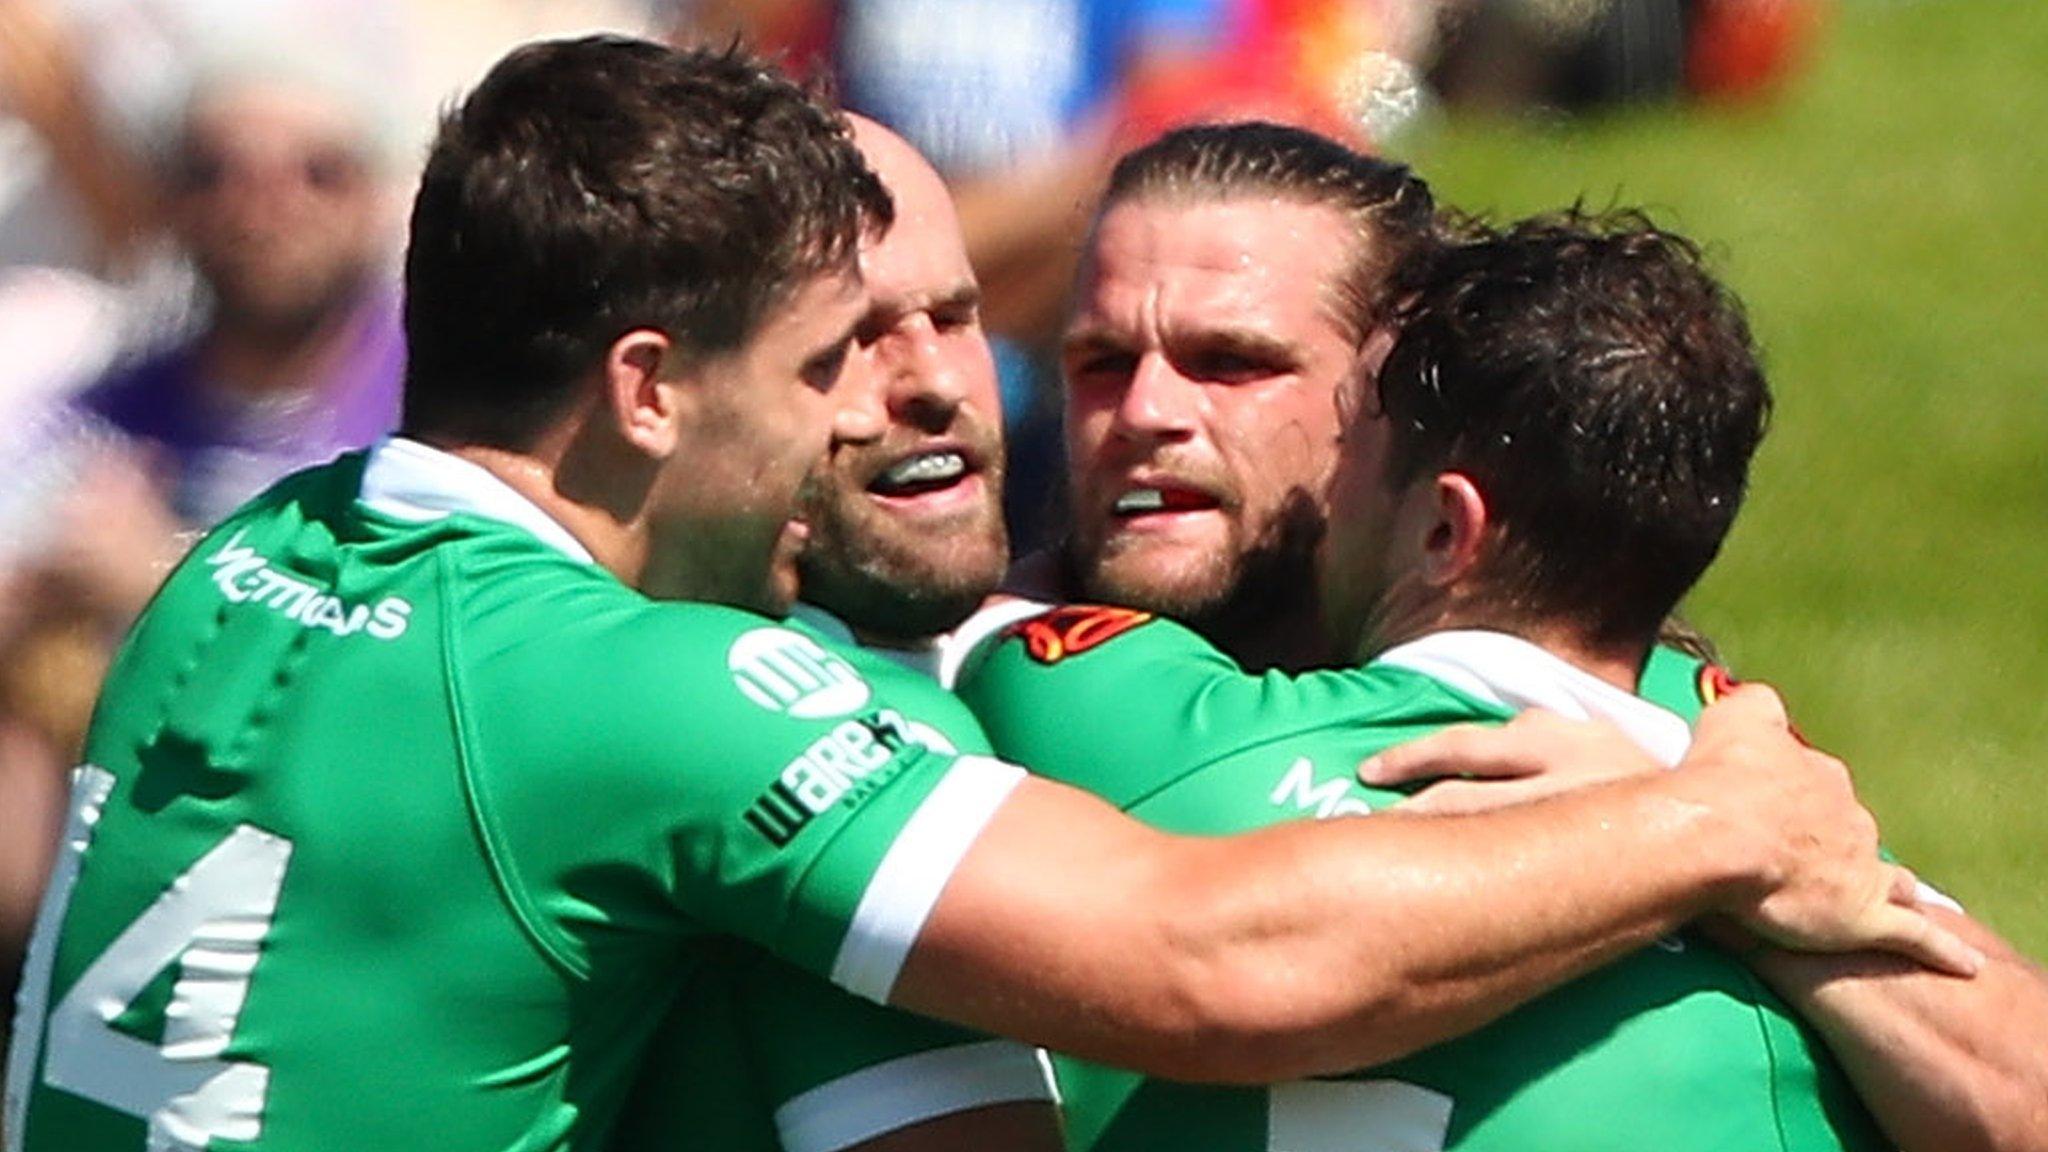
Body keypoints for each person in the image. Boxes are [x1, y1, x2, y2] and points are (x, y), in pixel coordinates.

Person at [3, 36, 1969, 1152]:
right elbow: (1211, 963)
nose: (930, 391)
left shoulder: (260, 561)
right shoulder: (674, 698)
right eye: (829, 361)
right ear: (645, 391)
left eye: (962, 320)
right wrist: (1707, 830)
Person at [959, 207, 2048, 1150]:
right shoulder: (1758, 787)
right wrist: (1699, 829)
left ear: (1442, 525)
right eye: (1100, 362)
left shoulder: (1111, 717)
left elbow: (909, 615)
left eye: (1346, 435)